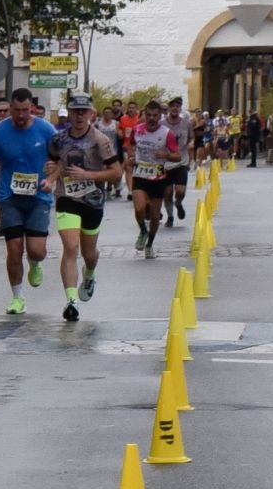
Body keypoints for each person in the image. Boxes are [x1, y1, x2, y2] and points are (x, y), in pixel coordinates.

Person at [50, 92, 125, 322]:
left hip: (92, 200)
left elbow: (116, 172)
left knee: (88, 253)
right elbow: (53, 161)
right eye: (75, 111)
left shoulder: (101, 140)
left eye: (84, 111)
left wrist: (88, 175)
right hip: (66, 198)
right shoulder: (59, 139)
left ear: (91, 113)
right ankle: (71, 301)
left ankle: (90, 273)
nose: (79, 116)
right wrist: (50, 173)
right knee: (70, 248)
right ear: (69, 113)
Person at [0, 88, 58, 315]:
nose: (20, 115)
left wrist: (52, 178)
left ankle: (36, 263)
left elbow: (60, 159)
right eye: (16, 111)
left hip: (38, 196)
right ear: (10, 110)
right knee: (14, 249)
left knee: (36, 250)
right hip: (9, 196)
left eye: (25, 111)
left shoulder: (46, 129)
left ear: (32, 109)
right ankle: (17, 298)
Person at [127, 99, 180, 260]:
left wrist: (167, 155)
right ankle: (143, 230)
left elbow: (178, 156)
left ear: (160, 116)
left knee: (156, 216)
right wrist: (130, 157)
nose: (151, 118)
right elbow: (130, 145)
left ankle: (149, 244)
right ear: (143, 115)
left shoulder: (166, 133)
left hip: (158, 177)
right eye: (148, 115)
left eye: (155, 115)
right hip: (140, 175)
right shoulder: (137, 130)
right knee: (140, 208)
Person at [162, 96, 193, 227]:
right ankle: (170, 217)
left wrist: (191, 144)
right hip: (166, 162)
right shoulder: (162, 124)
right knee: (167, 192)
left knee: (180, 191)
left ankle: (178, 203)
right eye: (173, 106)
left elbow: (192, 138)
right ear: (169, 108)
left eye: (178, 106)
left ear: (180, 109)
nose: (175, 108)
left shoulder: (186, 123)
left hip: (182, 161)